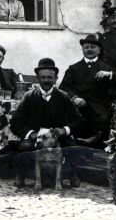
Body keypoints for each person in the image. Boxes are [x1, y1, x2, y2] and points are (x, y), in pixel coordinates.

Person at [10, 58, 86, 188]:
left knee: (74, 149)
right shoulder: (29, 96)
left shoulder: (63, 96)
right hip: (36, 139)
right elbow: (15, 122)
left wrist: (65, 130)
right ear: (37, 78)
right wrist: (30, 133)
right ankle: (21, 174)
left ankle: (70, 174)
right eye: (43, 77)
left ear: (55, 78)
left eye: (50, 77)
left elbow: (79, 120)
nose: (46, 80)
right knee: (23, 148)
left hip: (58, 138)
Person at [59, 34, 116, 147]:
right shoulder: (73, 68)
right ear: (82, 49)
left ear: (99, 49)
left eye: (92, 47)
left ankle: (95, 141)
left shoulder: (107, 68)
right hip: (79, 108)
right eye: (86, 47)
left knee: (102, 130)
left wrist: (110, 75)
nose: (89, 49)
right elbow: (63, 87)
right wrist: (74, 97)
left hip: (100, 108)